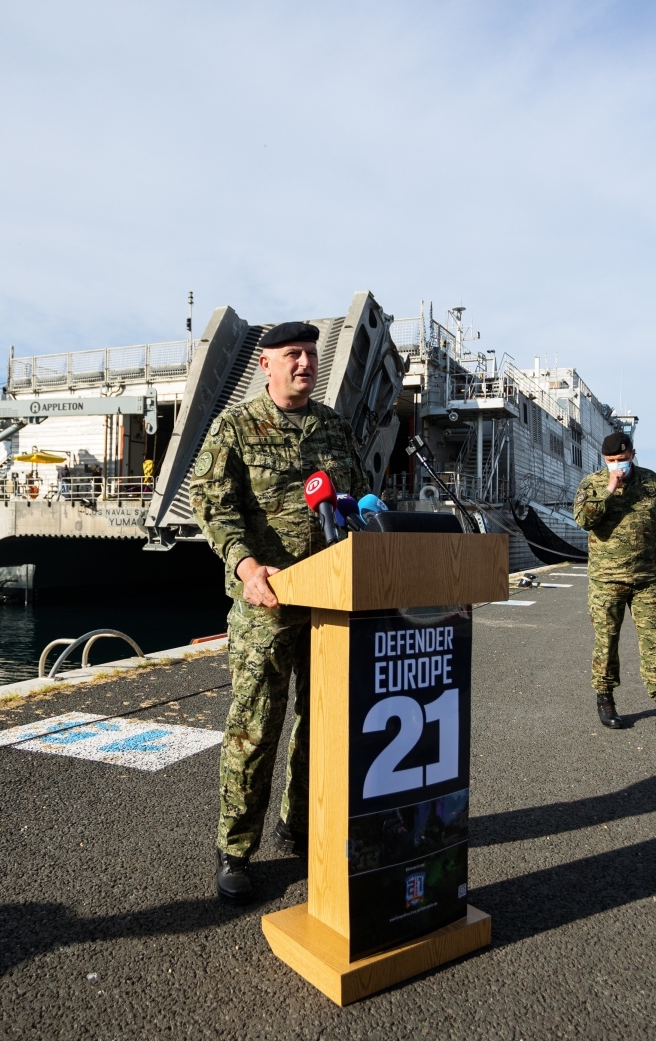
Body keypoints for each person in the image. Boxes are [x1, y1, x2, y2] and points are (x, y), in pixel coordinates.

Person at [190, 321, 370, 903]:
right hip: (266, 605)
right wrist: (246, 567)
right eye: (293, 354)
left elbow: (358, 504)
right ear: (264, 364)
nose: (305, 363)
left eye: (311, 355)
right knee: (255, 727)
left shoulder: (334, 429)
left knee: (322, 723)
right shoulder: (236, 427)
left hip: (329, 602)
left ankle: (300, 824)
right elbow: (212, 506)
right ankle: (235, 849)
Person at [572, 431, 656, 734]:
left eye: (621, 460)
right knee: (606, 641)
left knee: (653, 641)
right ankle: (605, 699)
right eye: (610, 461)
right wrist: (610, 488)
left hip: (645, 579)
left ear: (633, 455)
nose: (616, 465)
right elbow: (584, 520)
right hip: (606, 580)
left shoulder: (651, 483)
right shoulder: (593, 483)